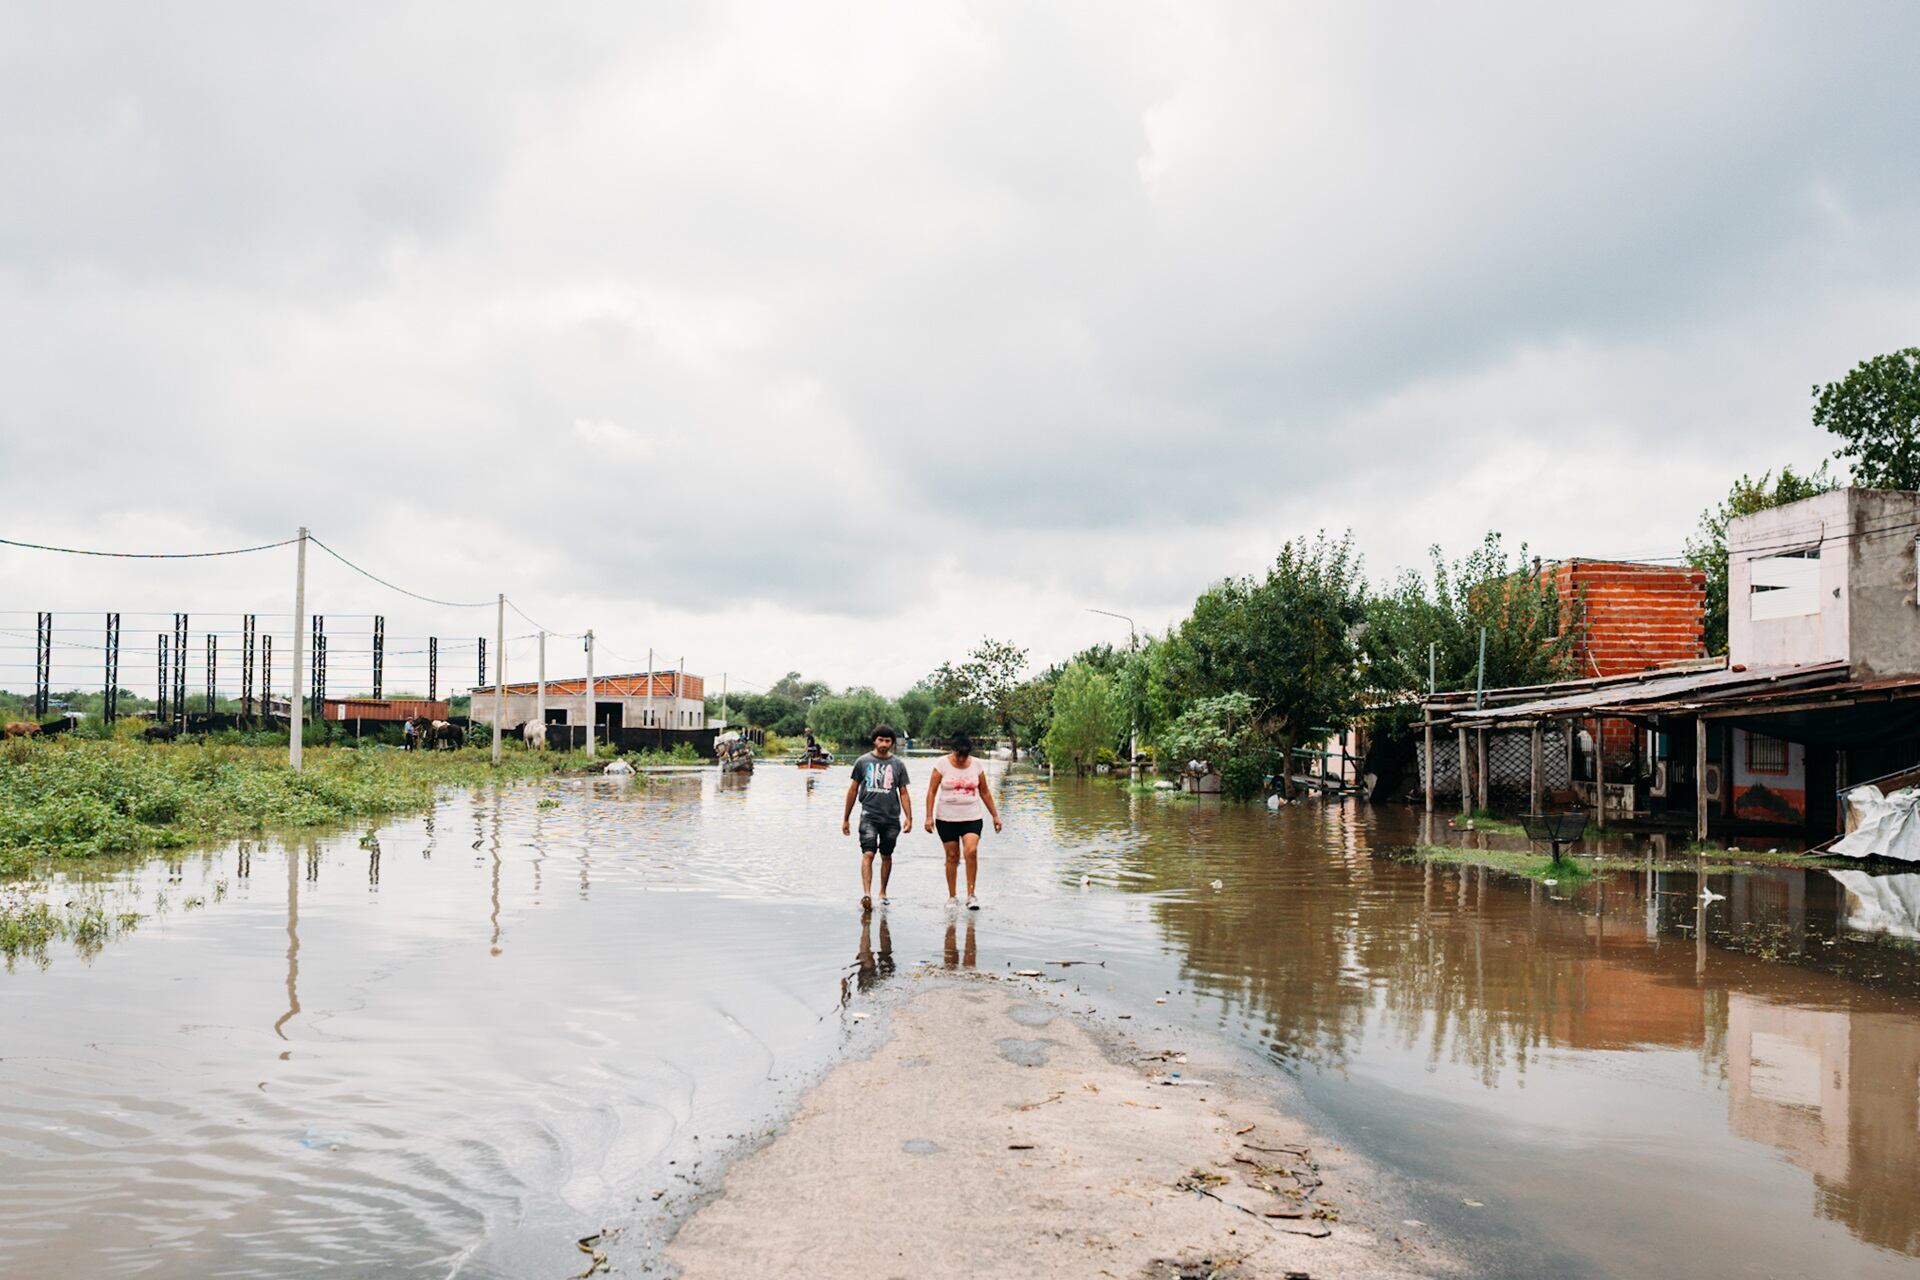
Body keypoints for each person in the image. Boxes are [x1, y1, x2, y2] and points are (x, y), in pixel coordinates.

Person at [923, 732, 1001, 910]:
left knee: (971, 851)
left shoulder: (977, 765)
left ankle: (971, 895)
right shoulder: (941, 764)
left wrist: (995, 815)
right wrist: (928, 817)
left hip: (972, 817)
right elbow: (931, 792)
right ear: (953, 750)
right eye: (959, 755)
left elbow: (985, 792)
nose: (961, 759)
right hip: (946, 818)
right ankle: (952, 897)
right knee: (952, 856)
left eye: (965, 755)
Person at [842, 724, 912, 911]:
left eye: (887, 740)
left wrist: (909, 817)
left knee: (886, 855)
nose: (883, 743)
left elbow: (903, 792)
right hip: (868, 816)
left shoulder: (898, 764)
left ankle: (882, 892)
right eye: (880, 740)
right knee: (868, 853)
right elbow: (853, 790)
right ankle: (866, 894)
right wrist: (846, 818)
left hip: (891, 818)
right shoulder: (862, 762)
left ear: (892, 743)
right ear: (874, 740)